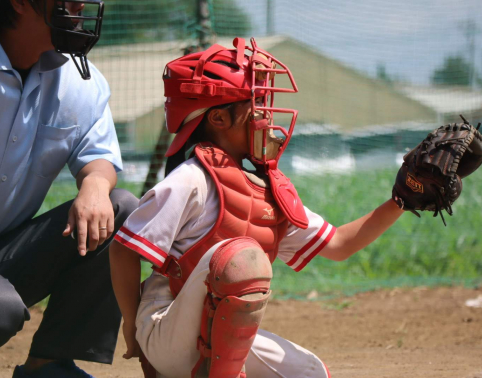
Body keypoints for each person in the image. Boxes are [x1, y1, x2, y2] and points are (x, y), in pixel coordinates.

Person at [109, 38, 404, 378]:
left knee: (310, 373)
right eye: (257, 104)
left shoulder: (263, 189)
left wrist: (402, 199)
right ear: (218, 118)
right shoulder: (190, 179)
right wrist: (132, 326)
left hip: (212, 340)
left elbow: (338, 245)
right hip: (165, 329)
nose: (266, 116)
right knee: (241, 257)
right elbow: (123, 250)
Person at [0, 0, 138, 377]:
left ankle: (49, 368)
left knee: (120, 208)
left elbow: (98, 155)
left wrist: (95, 185)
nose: (81, 4)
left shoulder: (80, 80)